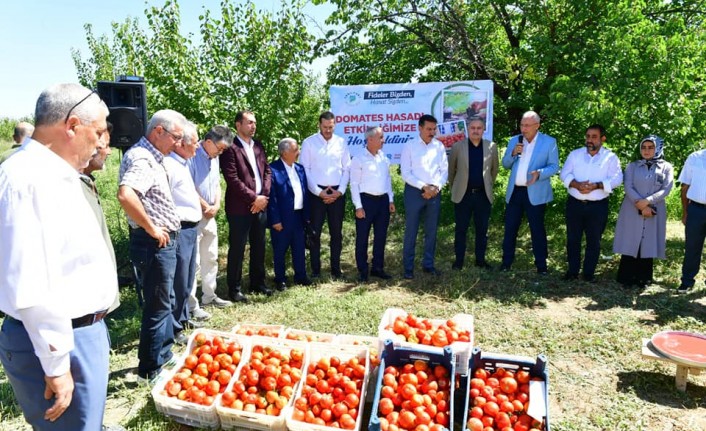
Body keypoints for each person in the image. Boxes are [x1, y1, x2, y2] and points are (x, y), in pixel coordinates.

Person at [0, 83, 117, 430]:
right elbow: (31, 281)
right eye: (97, 132)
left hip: (78, 336)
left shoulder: (53, 174)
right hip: (56, 342)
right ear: (71, 126)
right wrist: (56, 365)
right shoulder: (28, 178)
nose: (100, 142)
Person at [118, 109, 186, 382]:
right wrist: (152, 228)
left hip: (159, 242)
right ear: (159, 131)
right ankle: (150, 370)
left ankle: (164, 354)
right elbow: (126, 194)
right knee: (157, 306)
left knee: (164, 301)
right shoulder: (143, 158)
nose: (178, 144)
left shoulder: (152, 156)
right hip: (154, 244)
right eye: (176, 138)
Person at [559, 124, 622, 282]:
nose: (590, 140)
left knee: (594, 240)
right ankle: (572, 271)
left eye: (594, 137)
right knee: (573, 239)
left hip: (597, 206)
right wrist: (577, 185)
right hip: (575, 204)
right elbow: (564, 173)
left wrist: (597, 185)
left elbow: (617, 179)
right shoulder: (575, 155)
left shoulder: (610, 157)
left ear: (602, 139)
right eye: (588, 136)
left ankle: (588, 274)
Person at [220, 111, 272, 302]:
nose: (253, 126)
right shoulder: (230, 148)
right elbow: (232, 179)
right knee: (238, 248)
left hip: (260, 205)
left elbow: (267, 171)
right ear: (238, 125)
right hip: (240, 208)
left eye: (254, 123)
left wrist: (264, 196)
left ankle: (258, 283)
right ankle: (234, 289)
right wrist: (253, 199)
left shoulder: (258, 145)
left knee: (259, 245)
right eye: (249, 122)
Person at [500, 111, 559, 274]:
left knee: (537, 229)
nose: (523, 129)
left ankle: (541, 266)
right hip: (515, 192)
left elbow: (554, 166)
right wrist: (513, 153)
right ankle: (506, 263)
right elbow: (505, 164)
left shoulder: (549, 142)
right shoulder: (515, 141)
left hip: (536, 192)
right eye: (521, 125)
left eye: (527, 125)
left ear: (537, 126)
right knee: (510, 228)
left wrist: (539, 173)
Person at [186, 125, 235, 319]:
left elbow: (216, 184)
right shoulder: (190, 155)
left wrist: (216, 204)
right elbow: (187, 185)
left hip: (210, 216)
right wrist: (205, 205)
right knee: (194, 263)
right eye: (220, 148)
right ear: (208, 142)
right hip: (193, 216)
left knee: (211, 257)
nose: (221, 152)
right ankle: (192, 304)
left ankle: (209, 295)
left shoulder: (215, 158)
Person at [613, 135, 673, 289]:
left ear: (658, 148)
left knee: (648, 241)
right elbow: (628, 186)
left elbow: (666, 188)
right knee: (631, 239)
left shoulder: (666, 167)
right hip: (632, 207)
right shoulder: (632, 166)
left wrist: (648, 202)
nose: (646, 150)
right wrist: (640, 204)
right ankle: (626, 277)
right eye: (644, 147)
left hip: (655, 208)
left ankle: (643, 279)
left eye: (651, 147)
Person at [164, 122, 204, 345]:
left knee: (188, 277)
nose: (197, 146)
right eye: (195, 141)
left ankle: (183, 318)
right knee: (179, 279)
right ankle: (175, 328)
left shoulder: (183, 164)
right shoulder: (169, 165)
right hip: (179, 228)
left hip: (191, 227)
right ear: (182, 144)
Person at [299, 111, 351, 279]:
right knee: (315, 233)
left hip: (337, 192)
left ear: (334, 125)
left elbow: (346, 168)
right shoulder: (309, 143)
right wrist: (318, 192)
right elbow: (304, 169)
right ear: (319, 125)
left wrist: (340, 191)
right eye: (325, 127)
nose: (328, 130)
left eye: (331, 127)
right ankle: (315, 269)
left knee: (336, 233)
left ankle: (336, 269)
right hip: (316, 193)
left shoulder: (341, 143)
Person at [401, 114, 448, 279]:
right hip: (414, 192)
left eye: (434, 129)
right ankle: (408, 268)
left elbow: (444, 171)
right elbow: (406, 173)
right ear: (419, 128)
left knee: (431, 231)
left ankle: (428, 265)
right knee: (411, 231)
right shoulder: (410, 146)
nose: (432, 132)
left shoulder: (439, 147)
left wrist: (435, 187)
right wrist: (424, 186)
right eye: (428, 129)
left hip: (434, 193)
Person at [448, 117, 499, 270]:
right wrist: (456, 187)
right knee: (461, 229)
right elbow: (452, 171)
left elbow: (494, 170)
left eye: (479, 128)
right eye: (473, 128)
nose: (476, 131)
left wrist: (487, 185)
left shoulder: (492, 147)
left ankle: (480, 260)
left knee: (482, 230)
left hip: (483, 195)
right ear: (468, 130)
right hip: (463, 195)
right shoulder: (458, 147)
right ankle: (459, 261)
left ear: (484, 129)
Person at [350, 126, 396, 282]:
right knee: (362, 237)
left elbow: (388, 180)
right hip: (366, 201)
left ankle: (378, 268)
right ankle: (363, 270)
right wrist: (358, 206)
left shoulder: (384, 158)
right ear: (370, 139)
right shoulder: (358, 159)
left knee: (381, 236)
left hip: (382, 201)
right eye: (381, 137)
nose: (383, 140)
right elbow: (354, 184)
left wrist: (390, 199)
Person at [268, 138, 313, 290]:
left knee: (299, 247)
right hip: (282, 218)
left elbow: (304, 191)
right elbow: (271, 197)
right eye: (295, 150)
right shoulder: (273, 170)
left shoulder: (299, 168)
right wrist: (275, 220)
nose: (298, 152)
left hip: (299, 216)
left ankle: (300, 275)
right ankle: (280, 279)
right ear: (285, 153)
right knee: (280, 249)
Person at [677, 146, 706, 293]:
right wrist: (685, 211)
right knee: (692, 247)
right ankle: (687, 281)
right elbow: (685, 187)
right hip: (696, 210)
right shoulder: (694, 158)